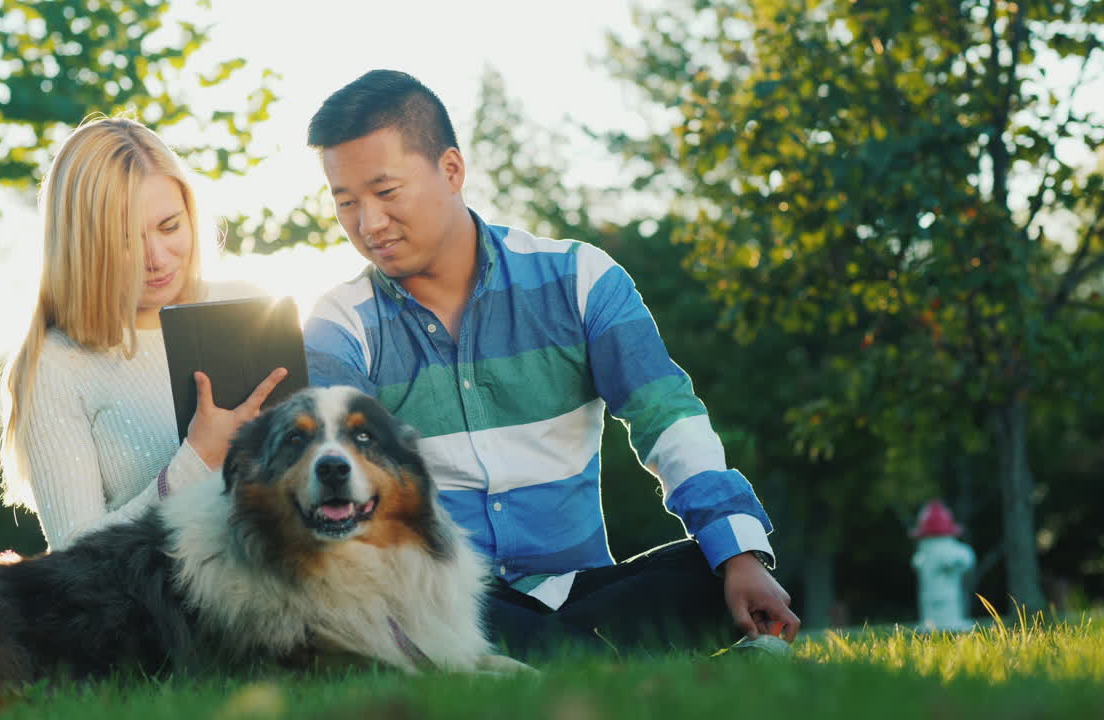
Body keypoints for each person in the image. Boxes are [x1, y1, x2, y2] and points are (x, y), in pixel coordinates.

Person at [303, 70, 800, 658]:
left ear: (452, 170)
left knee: (714, 573)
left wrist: (740, 555)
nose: (368, 224)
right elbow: (336, 471)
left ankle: (533, 660)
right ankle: (601, 663)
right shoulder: (341, 323)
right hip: (441, 596)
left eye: (386, 192)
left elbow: (666, 417)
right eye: (346, 202)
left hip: (579, 588)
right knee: (396, 607)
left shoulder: (580, 279)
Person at [0, 116, 286, 551]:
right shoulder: (55, 365)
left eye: (170, 226)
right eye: (125, 239)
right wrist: (197, 460)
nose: (157, 257)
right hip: (157, 598)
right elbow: (77, 558)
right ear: (82, 246)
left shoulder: (249, 308)